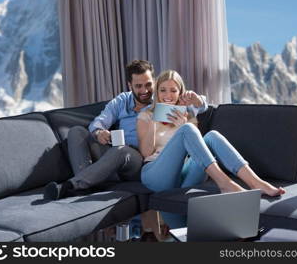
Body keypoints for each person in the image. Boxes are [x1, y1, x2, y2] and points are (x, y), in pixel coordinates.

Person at [43, 60, 208, 240]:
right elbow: (98, 122)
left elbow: (196, 108)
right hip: (115, 154)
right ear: (129, 85)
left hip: (139, 160)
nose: (144, 90)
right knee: (76, 132)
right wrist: (99, 133)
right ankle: (86, 185)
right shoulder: (121, 101)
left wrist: (199, 100)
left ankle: (72, 185)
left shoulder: (162, 102)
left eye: (148, 84)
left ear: (153, 81)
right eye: (138, 86)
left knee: (121, 151)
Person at [137, 70, 285, 227]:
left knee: (212, 136)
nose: (168, 95)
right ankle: (225, 184)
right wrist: (154, 122)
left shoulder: (187, 116)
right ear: (157, 92)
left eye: (173, 90)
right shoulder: (145, 116)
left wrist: (184, 124)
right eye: (163, 90)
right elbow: (146, 153)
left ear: (180, 93)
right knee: (187, 130)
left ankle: (256, 183)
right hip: (156, 175)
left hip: (183, 178)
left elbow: (197, 150)